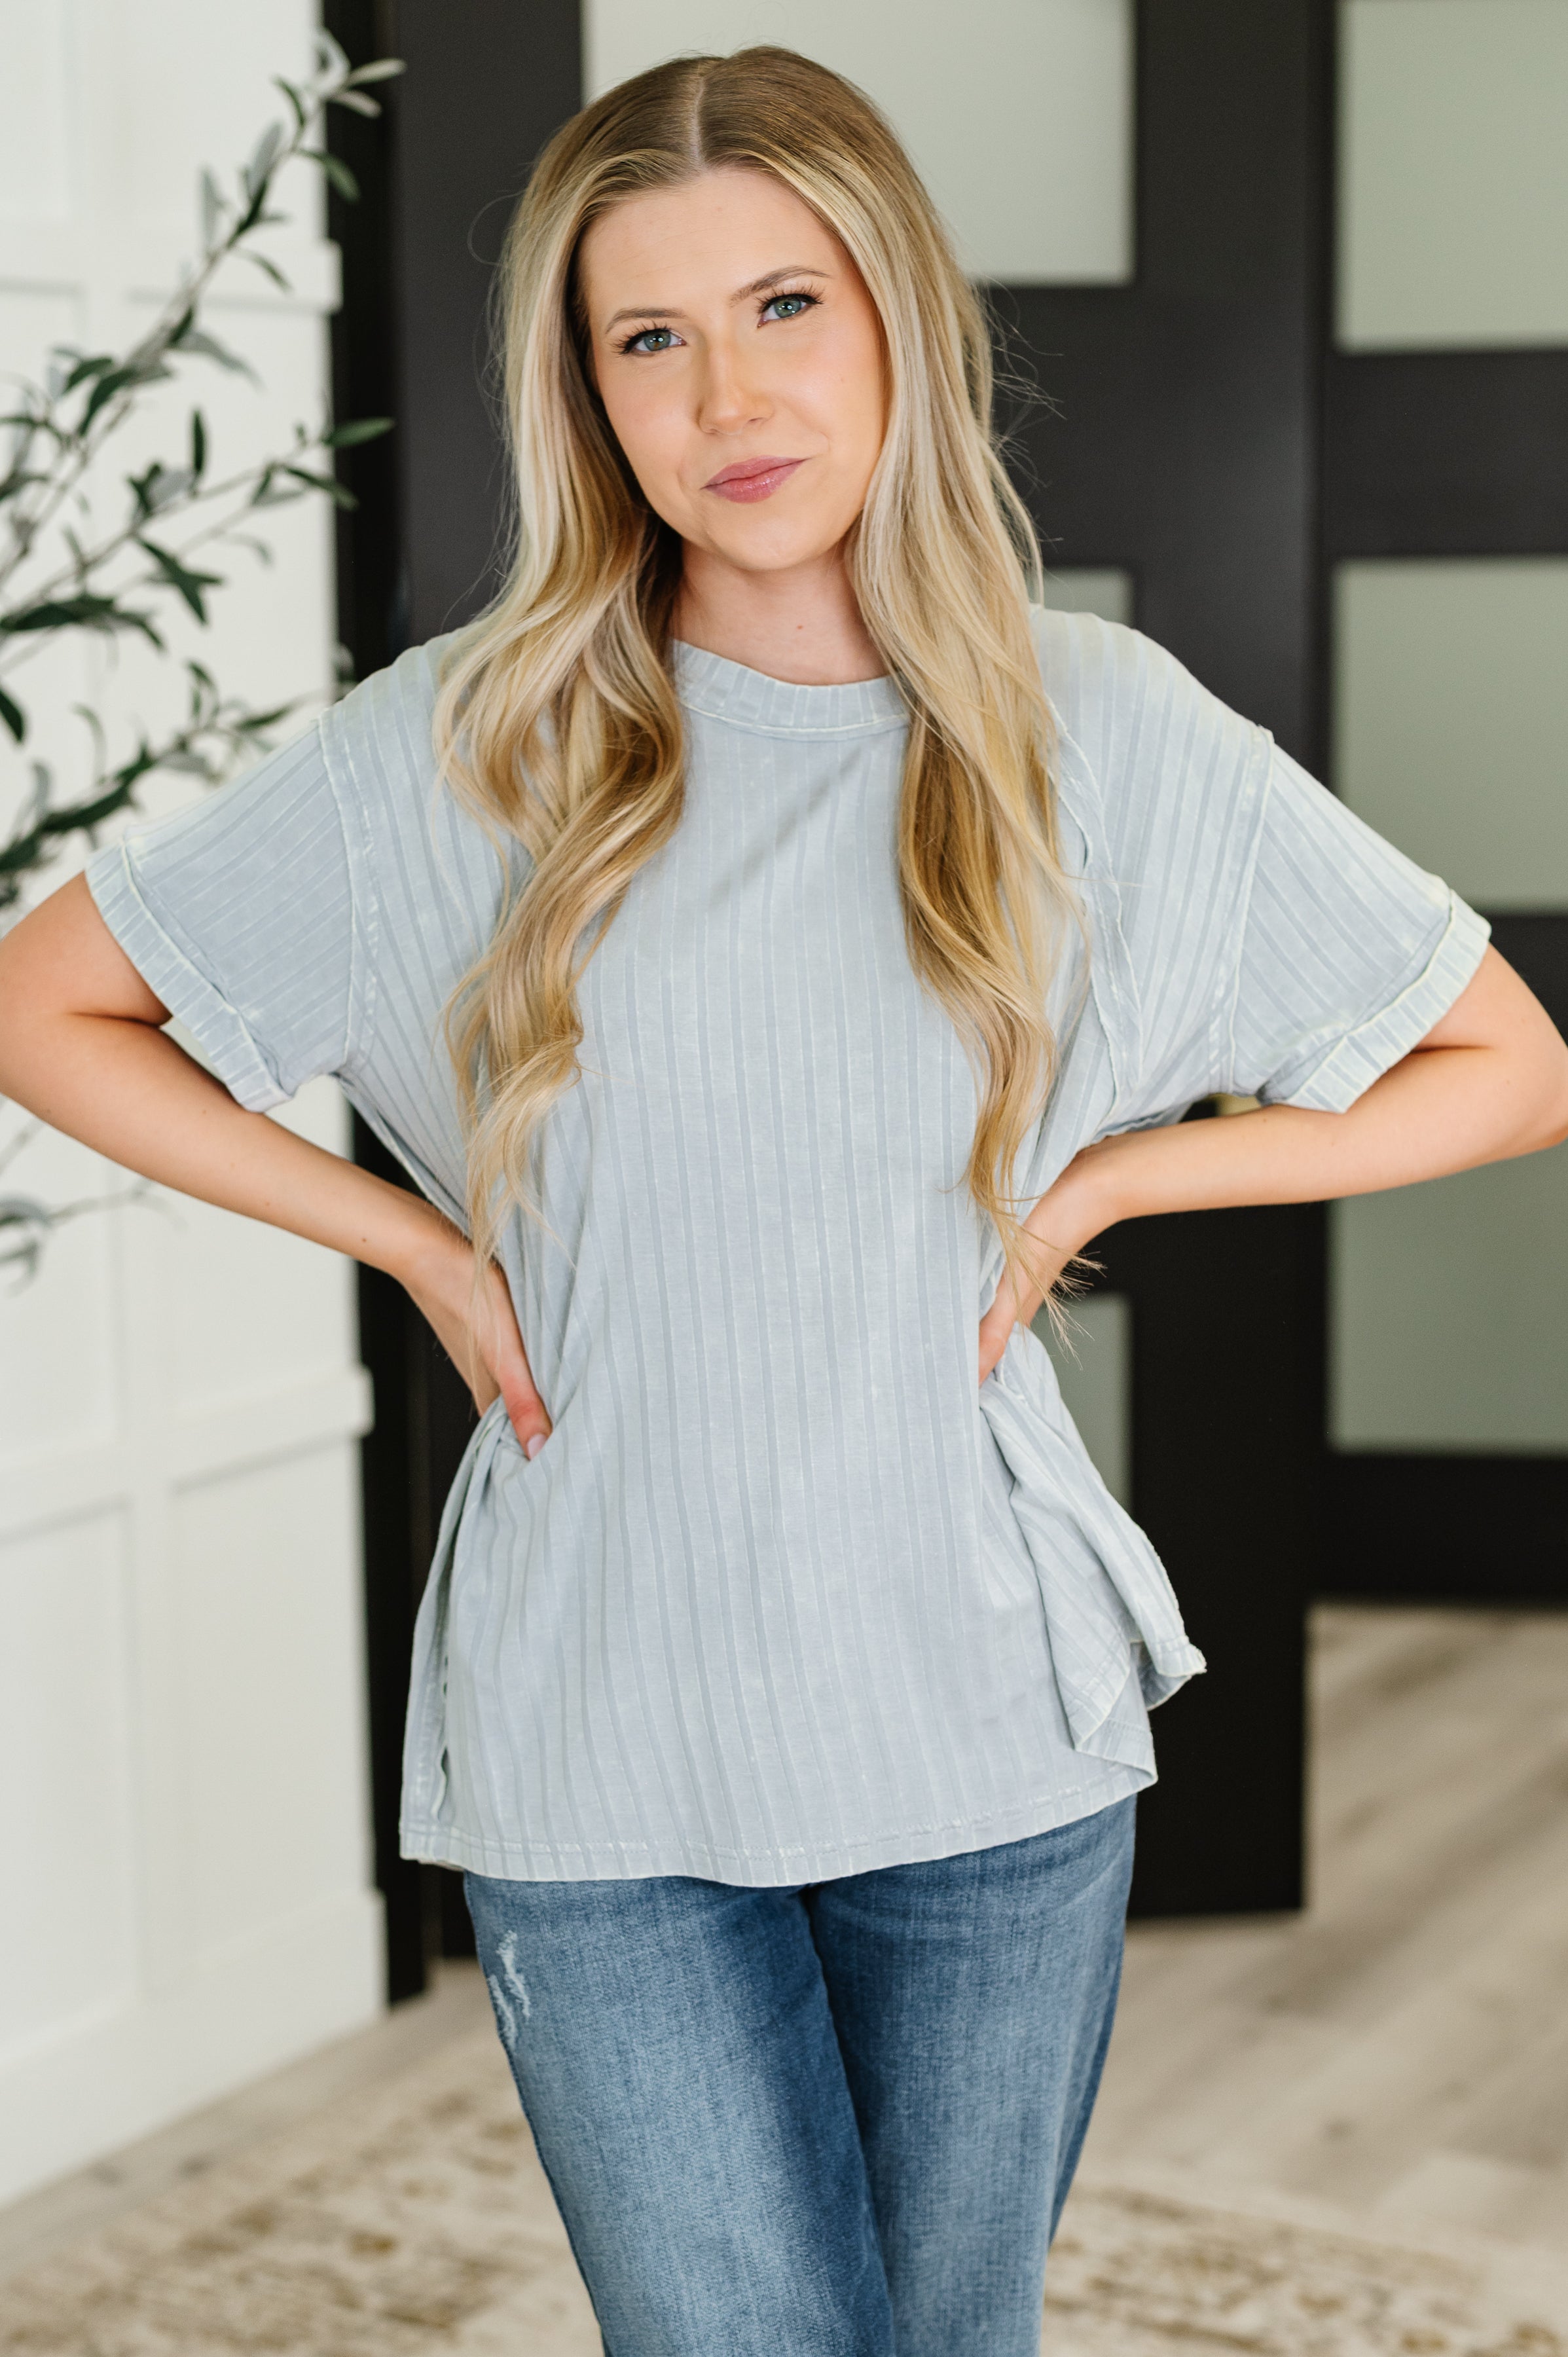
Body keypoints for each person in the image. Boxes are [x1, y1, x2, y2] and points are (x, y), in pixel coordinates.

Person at [2, 43, 1564, 2357]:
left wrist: (1135, 1161)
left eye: (784, 305)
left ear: (899, 322)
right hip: (595, 1754)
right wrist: (420, 1241)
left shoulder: (1089, 729)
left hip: (978, 1737)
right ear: (590, 398)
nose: (726, 392)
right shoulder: (467, 742)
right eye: (650, 338)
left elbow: (1505, 1065)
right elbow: (49, 1004)